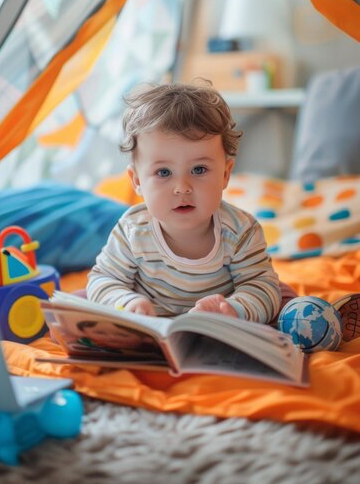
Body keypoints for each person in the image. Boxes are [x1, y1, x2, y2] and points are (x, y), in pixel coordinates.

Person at [86, 80, 284, 323]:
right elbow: (103, 280)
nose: (182, 188)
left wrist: (232, 309)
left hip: (216, 329)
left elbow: (259, 285)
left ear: (225, 174)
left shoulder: (241, 231)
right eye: (164, 173)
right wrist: (128, 303)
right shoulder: (132, 231)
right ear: (136, 180)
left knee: (281, 298)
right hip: (150, 327)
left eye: (199, 169)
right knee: (78, 305)